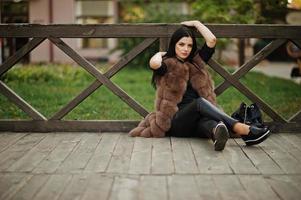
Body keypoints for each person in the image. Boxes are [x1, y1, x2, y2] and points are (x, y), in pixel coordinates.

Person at [129, 20, 270, 151]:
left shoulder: (196, 62)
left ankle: (217, 134)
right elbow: (154, 63)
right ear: (174, 45)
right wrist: (162, 53)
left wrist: (196, 23)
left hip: (195, 121)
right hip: (176, 122)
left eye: (189, 45)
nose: (186, 49)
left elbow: (212, 40)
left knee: (209, 123)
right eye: (181, 44)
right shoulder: (168, 64)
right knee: (199, 103)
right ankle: (242, 129)